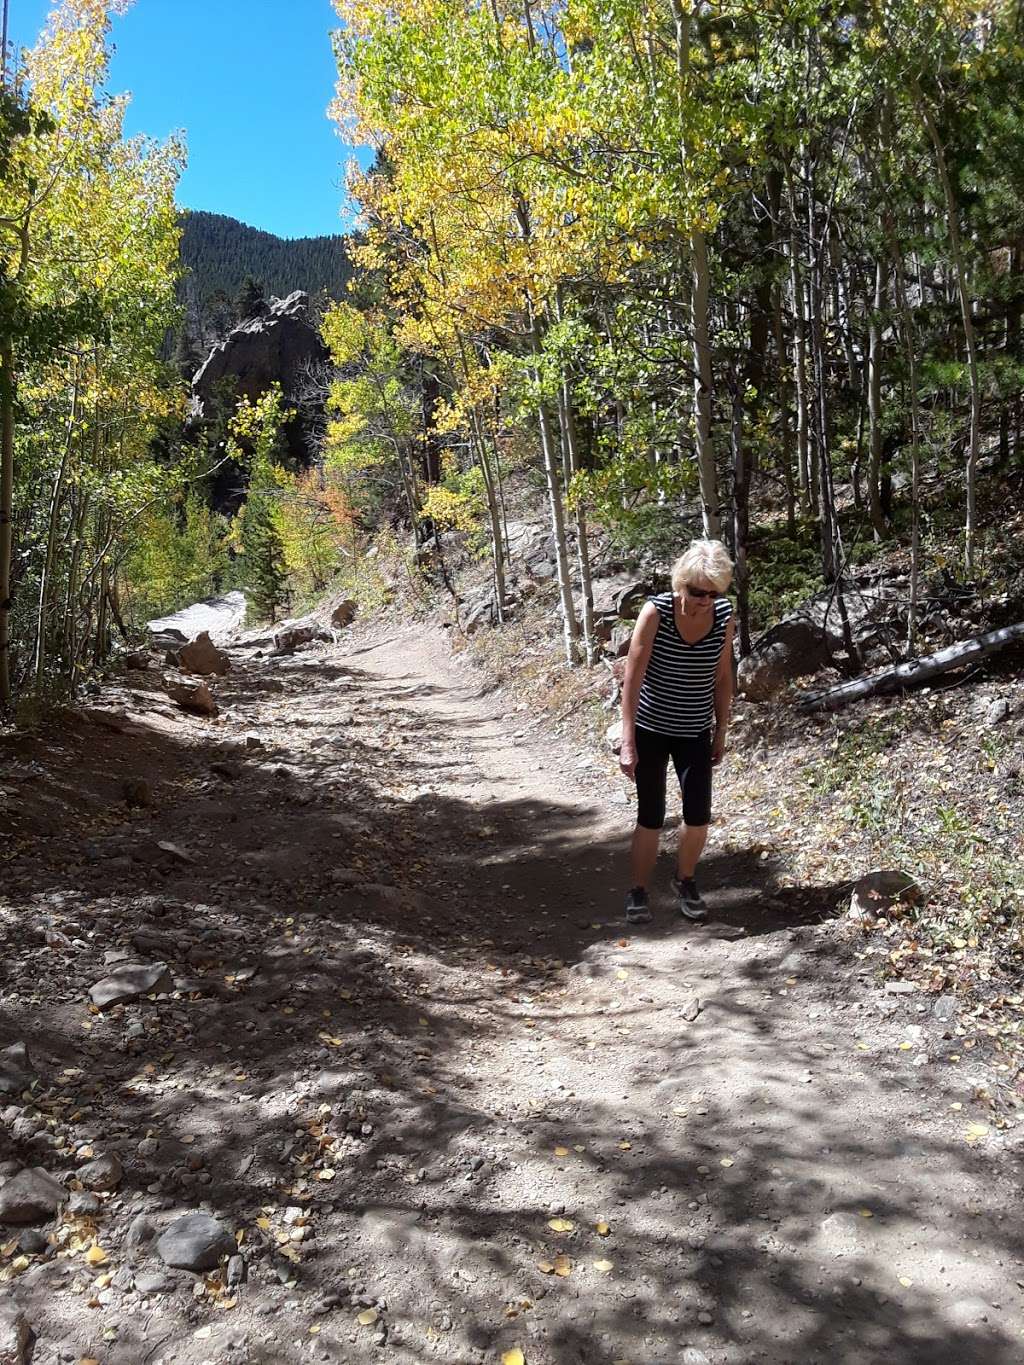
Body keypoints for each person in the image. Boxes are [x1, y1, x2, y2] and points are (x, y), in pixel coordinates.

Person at [618, 539, 735, 925]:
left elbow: (722, 677)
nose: (704, 600)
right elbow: (632, 678)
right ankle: (637, 889)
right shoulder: (656, 612)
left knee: (699, 815)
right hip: (651, 726)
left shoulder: (723, 615)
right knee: (650, 815)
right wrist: (628, 739)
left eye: (712, 592)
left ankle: (684, 879)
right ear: (681, 583)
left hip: (694, 729)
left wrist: (721, 731)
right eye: (696, 591)